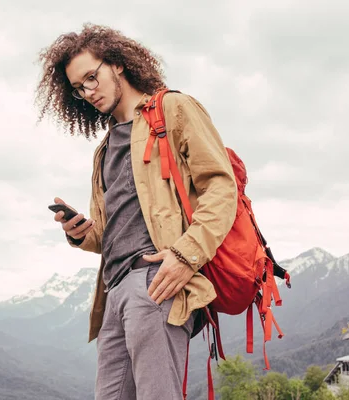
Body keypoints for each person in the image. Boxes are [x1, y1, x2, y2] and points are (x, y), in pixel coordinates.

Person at [35, 23, 237, 400]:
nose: (88, 92)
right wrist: (80, 233)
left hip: (157, 282)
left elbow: (222, 187)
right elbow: (108, 234)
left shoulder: (172, 109)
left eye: (92, 78)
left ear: (118, 64)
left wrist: (184, 255)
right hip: (113, 292)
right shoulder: (105, 148)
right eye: (78, 88)